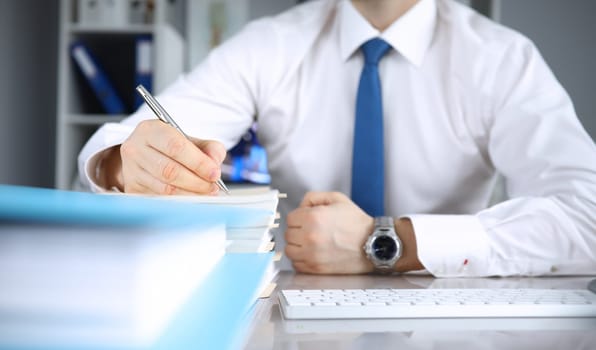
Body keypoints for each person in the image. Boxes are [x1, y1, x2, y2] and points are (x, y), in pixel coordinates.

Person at [78, 0, 596, 277]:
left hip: (455, 314)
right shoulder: (271, 45)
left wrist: (388, 241)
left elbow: (587, 217)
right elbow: (120, 146)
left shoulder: (500, 58)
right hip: (298, 310)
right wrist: (127, 164)